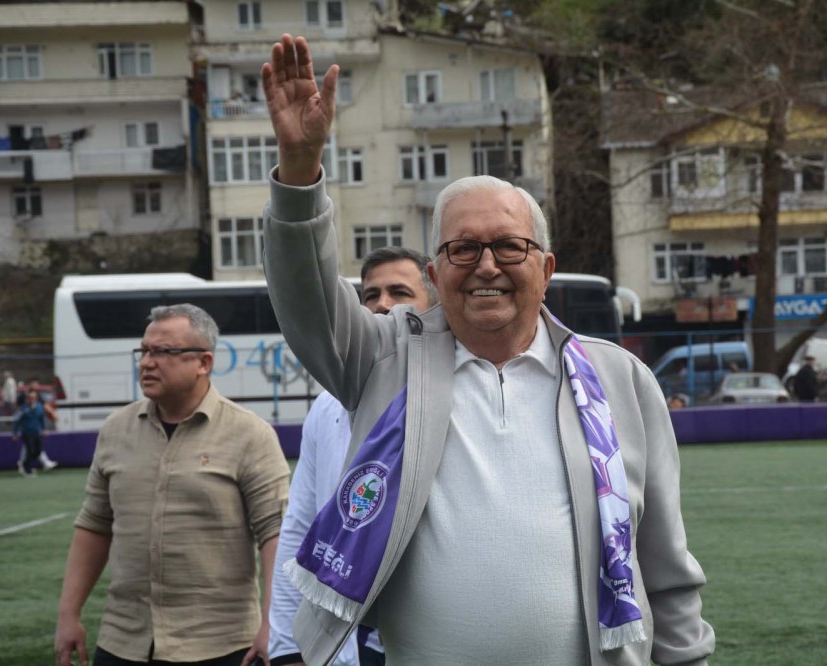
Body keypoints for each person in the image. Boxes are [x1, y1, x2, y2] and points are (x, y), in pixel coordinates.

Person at [260, 34, 714, 665]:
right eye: (463, 249)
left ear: (546, 268)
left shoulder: (620, 379)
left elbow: (663, 564)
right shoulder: (385, 358)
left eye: (509, 246)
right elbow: (305, 298)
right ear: (435, 273)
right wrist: (300, 165)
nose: (487, 266)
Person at [54, 304, 290, 666]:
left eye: (163, 352)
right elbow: (94, 524)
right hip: (123, 641)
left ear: (204, 362)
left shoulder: (250, 434)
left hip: (222, 645)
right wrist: (68, 614)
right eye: (144, 351)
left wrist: (273, 623)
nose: (147, 363)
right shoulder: (115, 430)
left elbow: (277, 533)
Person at [269, 247, 437, 666]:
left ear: (433, 305)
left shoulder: (454, 394)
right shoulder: (327, 407)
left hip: (430, 633)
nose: (383, 304)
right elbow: (301, 524)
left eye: (400, 292)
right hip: (348, 636)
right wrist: (286, 646)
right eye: (370, 295)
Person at [16, 377, 59, 472]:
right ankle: (27, 464)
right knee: (30, 447)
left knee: (32, 447)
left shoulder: (37, 395)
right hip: (27, 426)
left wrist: (52, 413)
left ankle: (27, 463)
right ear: (30, 384)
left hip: (35, 425)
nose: (37, 386)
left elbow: (44, 406)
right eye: (35, 384)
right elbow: (19, 411)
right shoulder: (24, 396)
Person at [11, 388, 46, 476]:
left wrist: (44, 429)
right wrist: (15, 433)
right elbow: (16, 421)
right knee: (30, 450)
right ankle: (27, 469)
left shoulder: (39, 407)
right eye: (29, 398)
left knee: (38, 450)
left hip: (36, 432)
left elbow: (42, 419)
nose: (31, 400)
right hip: (27, 433)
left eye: (33, 398)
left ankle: (24, 463)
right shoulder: (23, 408)